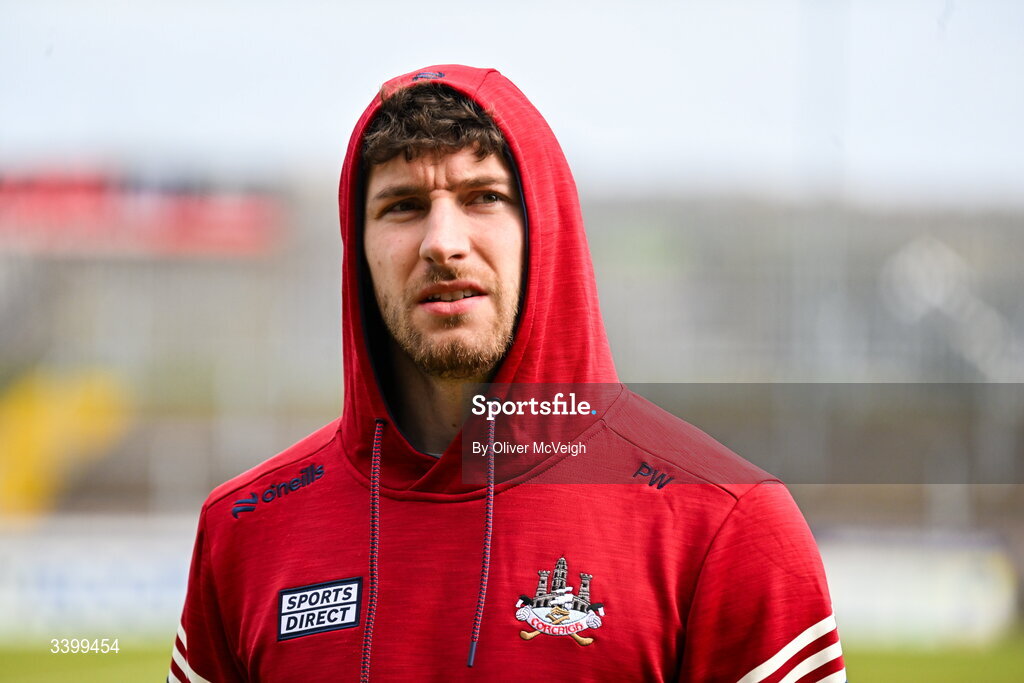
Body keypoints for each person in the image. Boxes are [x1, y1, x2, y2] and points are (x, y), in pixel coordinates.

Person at [169, 65, 846, 683]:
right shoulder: (245, 531)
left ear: (544, 229)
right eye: (402, 205)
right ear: (359, 246)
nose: (442, 242)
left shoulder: (726, 526)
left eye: (483, 196)